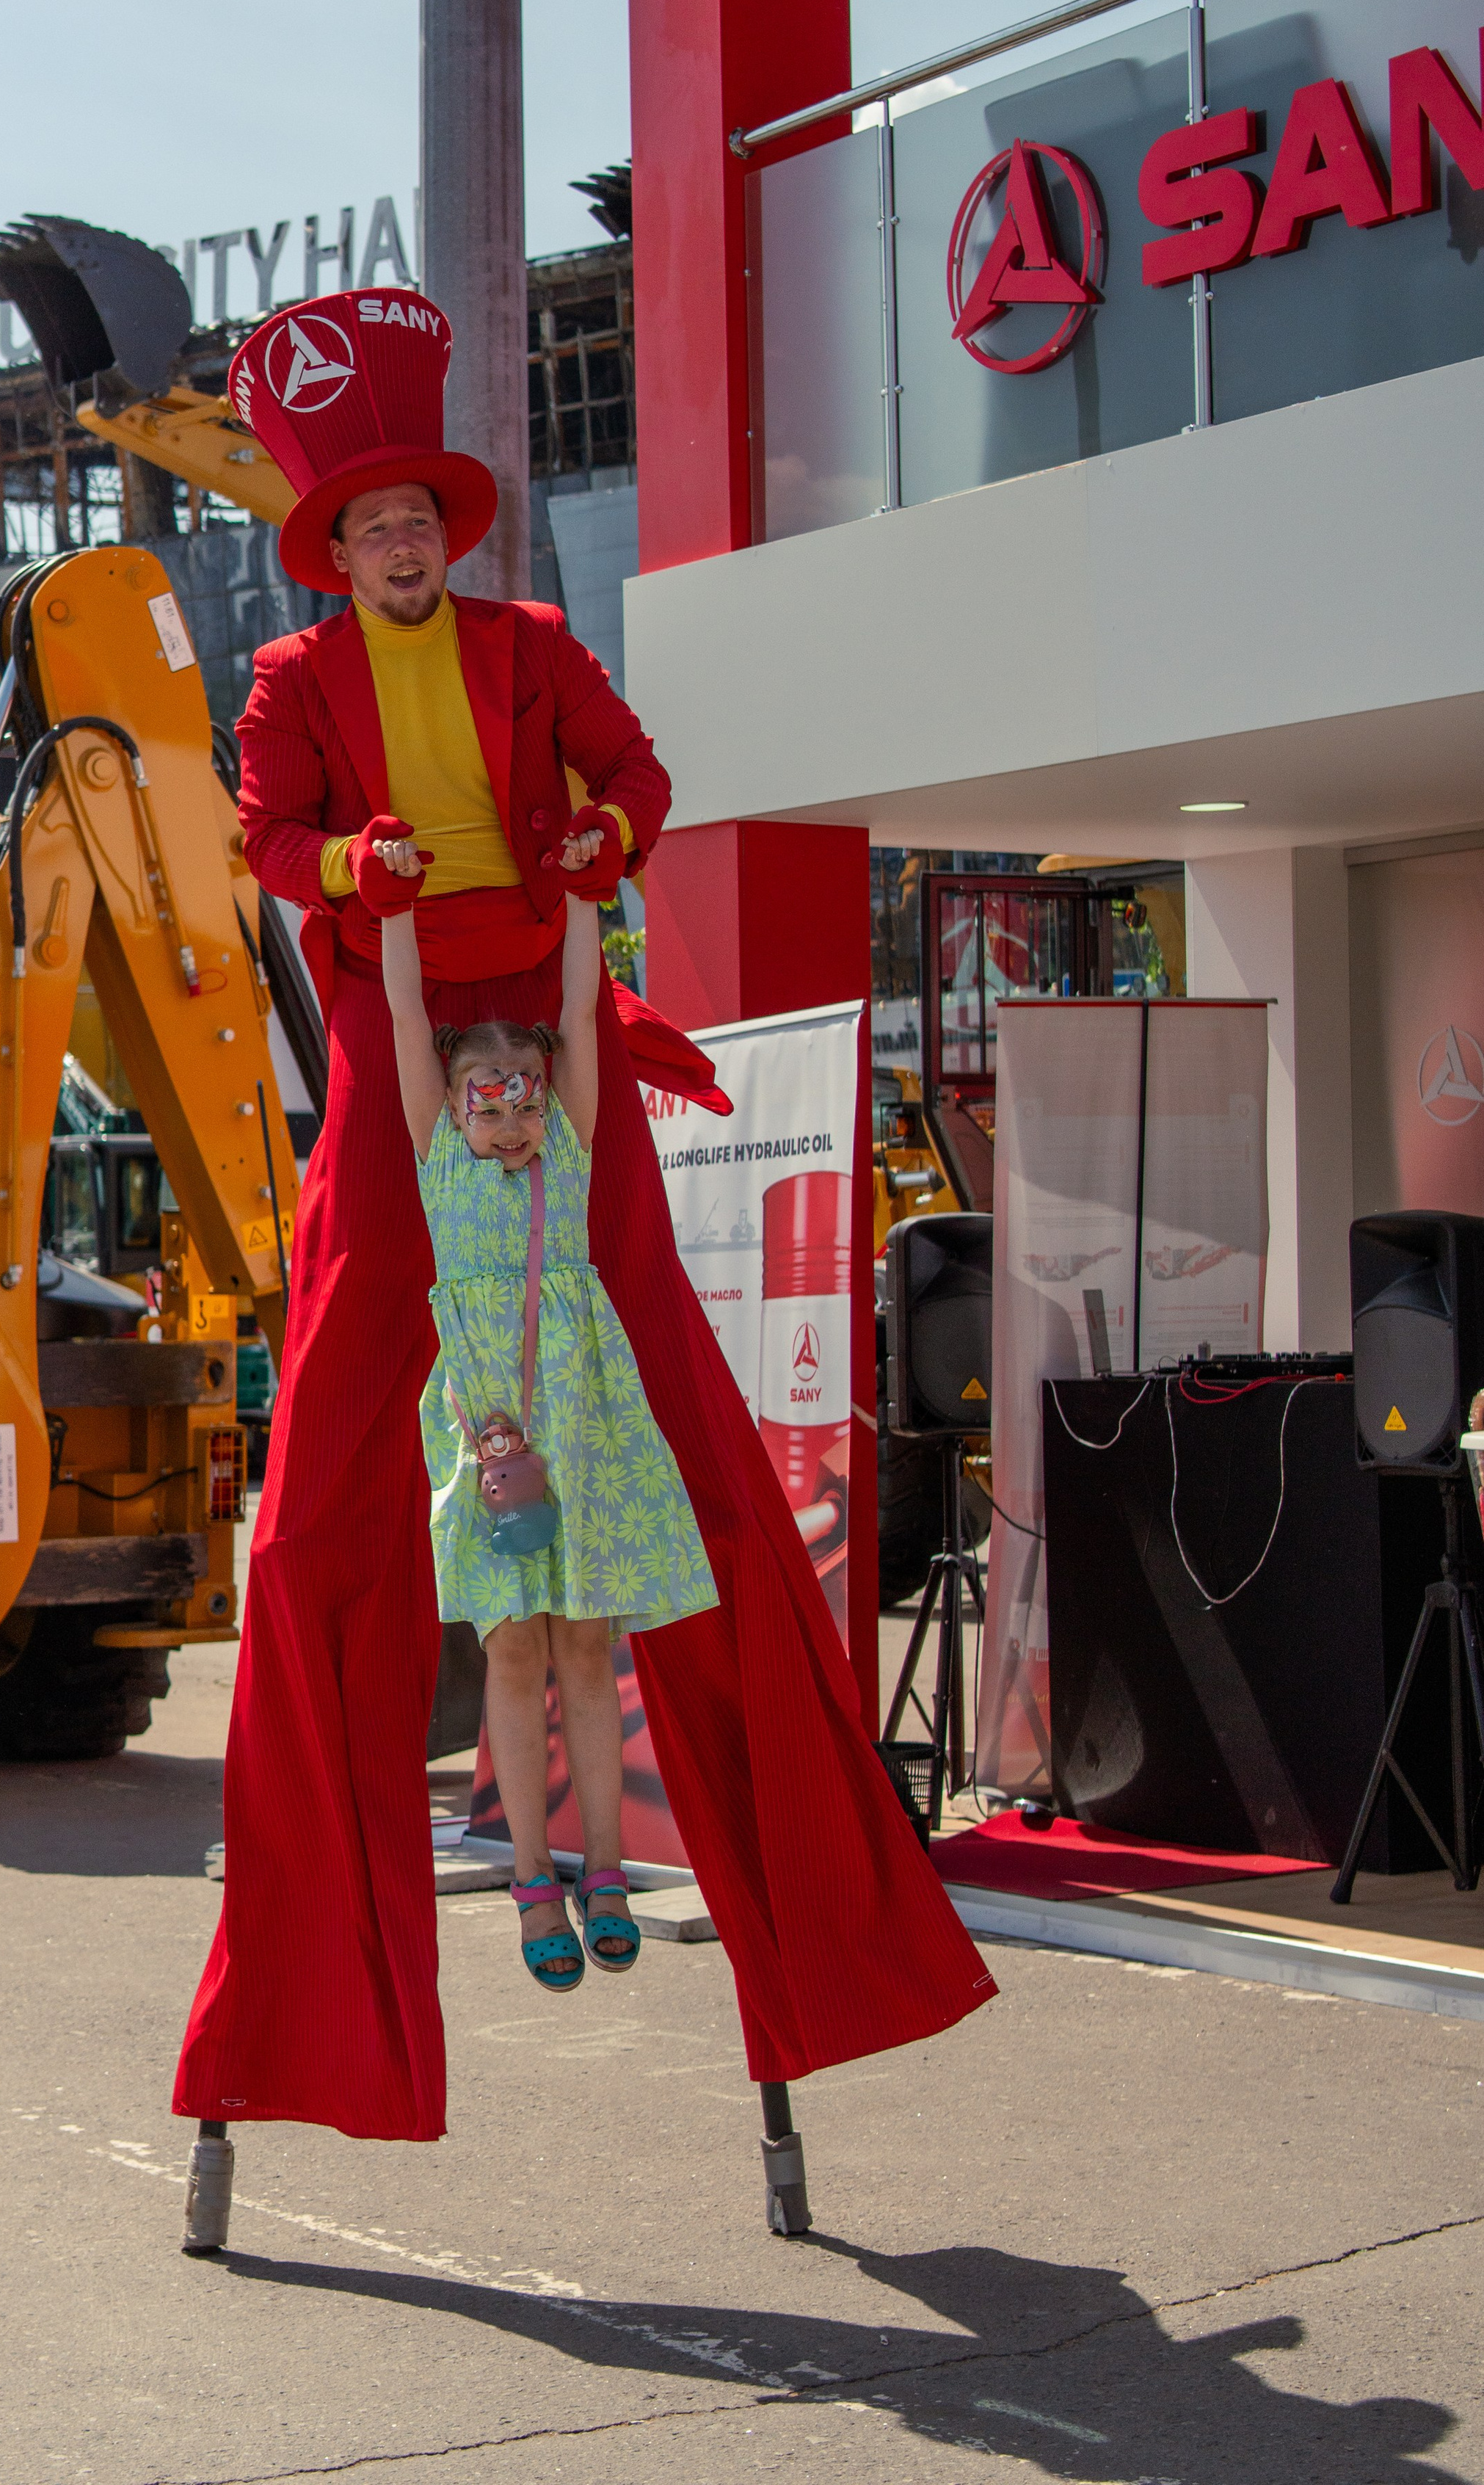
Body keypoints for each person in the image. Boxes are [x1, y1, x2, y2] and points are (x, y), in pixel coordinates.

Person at [175, 287, 993, 2147]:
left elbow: (633, 780)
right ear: (336, 551)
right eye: (366, 527)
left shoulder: (527, 643)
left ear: (446, 538)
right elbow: (265, 839)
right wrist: (348, 865)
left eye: (415, 523)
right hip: (401, 1034)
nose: (395, 546)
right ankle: (355, 1965)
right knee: (327, 1465)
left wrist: (601, 844)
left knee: (652, 1382)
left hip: (546, 1025)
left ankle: (706, 1889)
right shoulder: (296, 686)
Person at [377, 835, 719, 1992]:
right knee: (511, 1651)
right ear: (456, 1101)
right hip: (488, 1435)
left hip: (589, 1421)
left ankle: (606, 1869)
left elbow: (582, 999)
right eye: (491, 1100)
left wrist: (587, 897)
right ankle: (533, 1878)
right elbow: (399, 1010)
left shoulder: (568, 1152)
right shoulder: (440, 1166)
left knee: (587, 1643)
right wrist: (389, 913)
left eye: (528, 1096)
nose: (515, 1119)